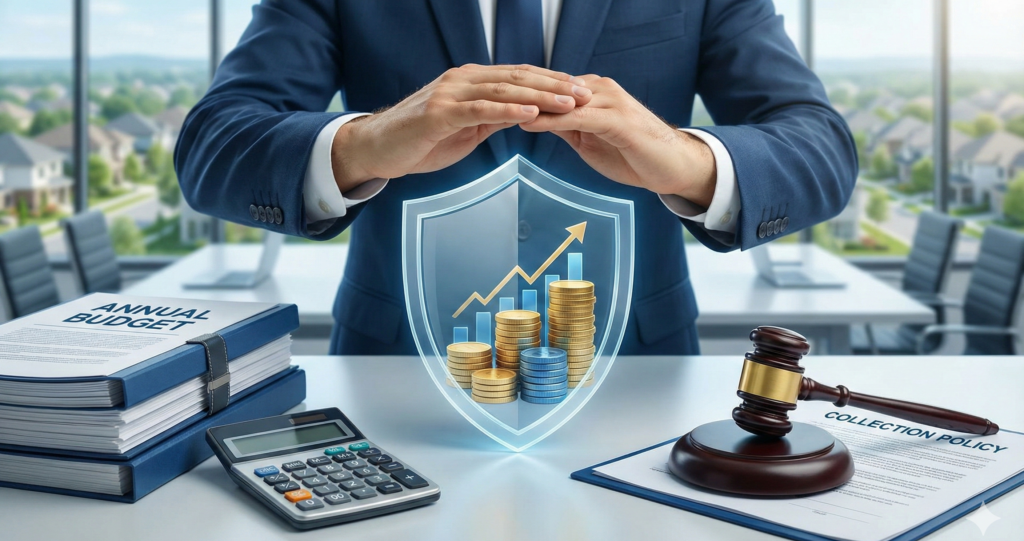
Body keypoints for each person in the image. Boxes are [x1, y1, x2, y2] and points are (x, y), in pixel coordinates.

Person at [176, 0, 858, 356]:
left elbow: (821, 148)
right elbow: (211, 146)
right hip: (398, 361)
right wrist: (368, 143)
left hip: (633, 360)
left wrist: (683, 162)